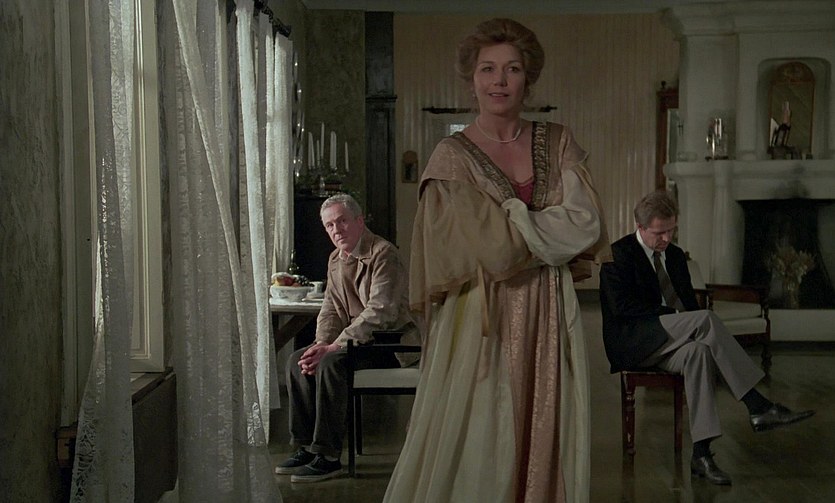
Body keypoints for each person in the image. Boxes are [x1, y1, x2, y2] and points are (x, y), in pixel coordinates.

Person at [384, 18, 611, 503]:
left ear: (529, 78)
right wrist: (544, 228)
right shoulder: (451, 156)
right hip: (477, 316)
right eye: (488, 69)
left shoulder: (559, 140)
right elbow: (495, 250)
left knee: (548, 417)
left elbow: (585, 225)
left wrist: (514, 216)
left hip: (550, 310)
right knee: (482, 428)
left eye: (512, 68)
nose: (499, 81)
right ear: (472, 80)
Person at [599, 190, 815, 486]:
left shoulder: (675, 256)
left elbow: (688, 303)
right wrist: (677, 317)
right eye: (660, 233)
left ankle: (701, 455)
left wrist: (686, 323)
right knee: (705, 319)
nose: (666, 239)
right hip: (634, 342)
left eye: (671, 231)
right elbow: (622, 308)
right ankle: (757, 405)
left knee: (698, 352)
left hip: (671, 340)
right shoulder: (617, 254)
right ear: (640, 227)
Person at [275, 193, 419, 483]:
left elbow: (382, 312)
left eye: (342, 221)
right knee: (297, 360)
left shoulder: (383, 254)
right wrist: (321, 343)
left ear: (359, 221)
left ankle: (328, 456)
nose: (336, 230)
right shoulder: (335, 259)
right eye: (329, 225)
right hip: (354, 340)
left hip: (390, 343)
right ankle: (306, 447)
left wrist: (334, 346)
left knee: (331, 363)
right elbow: (330, 309)